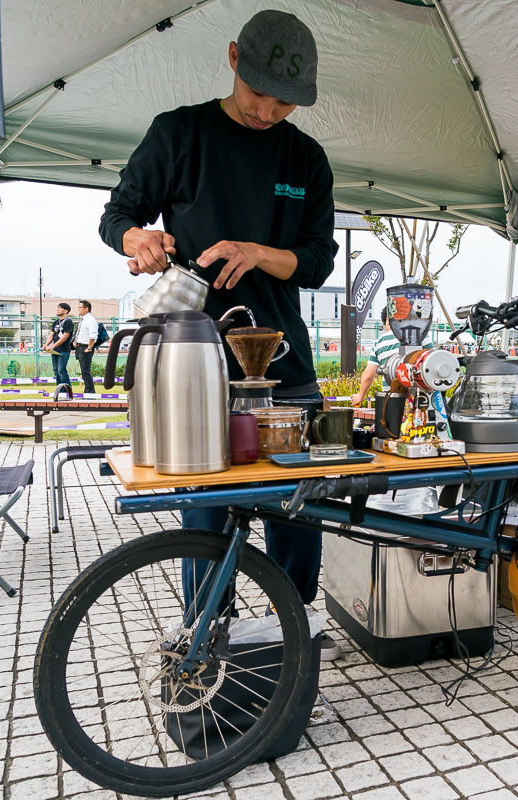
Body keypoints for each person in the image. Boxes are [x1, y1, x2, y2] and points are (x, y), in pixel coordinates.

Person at [98, 10, 339, 658]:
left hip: (285, 369)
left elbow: (318, 260)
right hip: (194, 364)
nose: (267, 110)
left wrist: (261, 253)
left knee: (298, 510)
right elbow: (118, 214)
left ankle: (296, 637)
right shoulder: (180, 136)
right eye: (260, 92)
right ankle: (209, 639)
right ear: (233, 58)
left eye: (284, 101)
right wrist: (138, 239)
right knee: (206, 510)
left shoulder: (306, 159)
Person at [351, 303, 433, 407]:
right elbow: (432, 360)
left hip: (391, 398)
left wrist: (360, 396)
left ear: (387, 321)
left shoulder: (379, 343)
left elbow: (368, 375)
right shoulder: (419, 334)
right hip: (419, 398)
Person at [42, 303, 74, 389]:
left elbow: (65, 337)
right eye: (57, 308)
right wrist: (46, 345)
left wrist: (53, 346)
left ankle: (67, 391)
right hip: (54, 350)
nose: (57, 309)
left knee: (61, 371)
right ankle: (60, 390)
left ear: (66, 311)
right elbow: (52, 335)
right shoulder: (56, 322)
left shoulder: (68, 322)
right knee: (56, 371)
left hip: (63, 350)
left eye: (60, 308)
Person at [73, 300, 100, 394]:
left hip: (86, 348)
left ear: (86, 309)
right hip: (80, 347)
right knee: (84, 371)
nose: (78, 309)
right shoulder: (84, 319)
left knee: (86, 371)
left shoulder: (90, 320)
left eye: (80, 307)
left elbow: (93, 336)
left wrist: (89, 348)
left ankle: (90, 393)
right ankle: (87, 392)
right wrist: (76, 342)